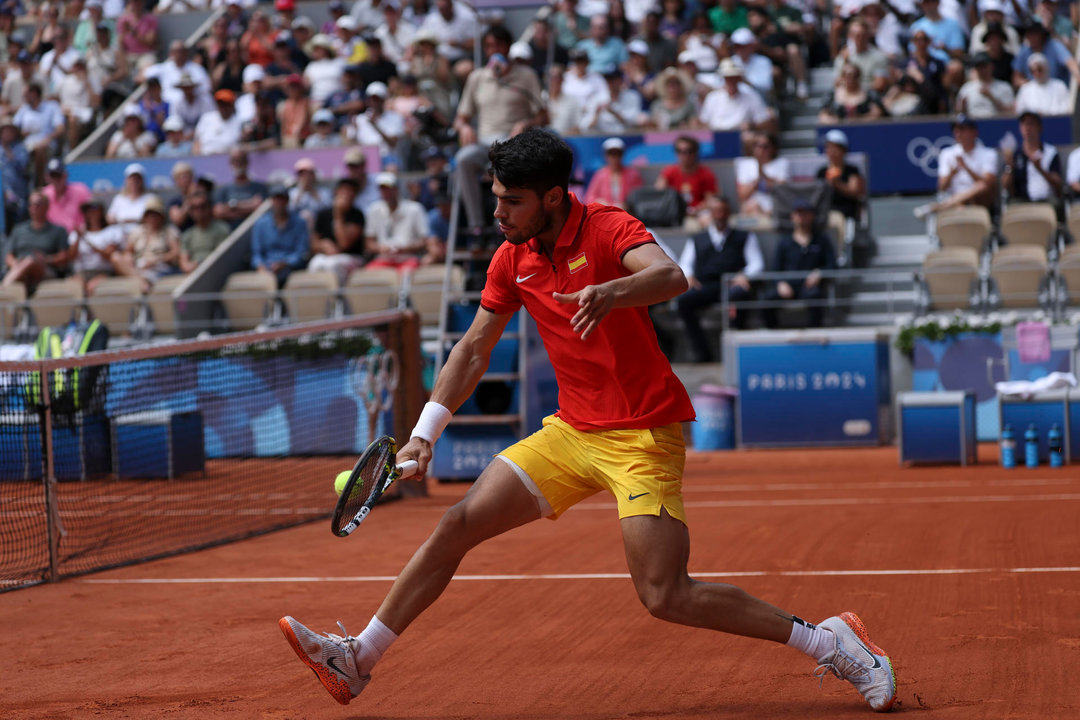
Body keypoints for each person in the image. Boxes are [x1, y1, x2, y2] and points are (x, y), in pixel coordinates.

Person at [278, 129, 898, 714]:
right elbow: (471, 350)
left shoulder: (607, 226)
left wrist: (610, 292)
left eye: (512, 202)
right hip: (572, 432)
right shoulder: (511, 256)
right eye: (495, 198)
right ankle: (359, 657)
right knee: (456, 525)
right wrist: (423, 435)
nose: (499, 214)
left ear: (553, 197)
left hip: (641, 433)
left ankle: (832, 643)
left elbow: (672, 276)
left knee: (665, 595)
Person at [452, 25, 544, 230]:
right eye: (488, 46)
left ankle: (502, 225)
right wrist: (465, 127)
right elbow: (460, 118)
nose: (493, 50)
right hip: (485, 143)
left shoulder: (526, 75)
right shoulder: (477, 77)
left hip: (514, 142)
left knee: (507, 161)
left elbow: (542, 116)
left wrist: (525, 123)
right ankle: (476, 225)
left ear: (508, 47)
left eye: (498, 45)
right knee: (463, 159)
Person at [676, 194, 763, 359]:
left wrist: (744, 275)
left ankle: (734, 350)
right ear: (711, 213)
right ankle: (702, 352)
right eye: (716, 211)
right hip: (706, 286)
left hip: (732, 285)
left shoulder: (744, 236)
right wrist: (689, 276)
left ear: (729, 213)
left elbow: (757, 264)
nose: (720, 215)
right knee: (683, 301)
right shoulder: (697, 239)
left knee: (739, 297)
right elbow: (685, 263)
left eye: (723, 211)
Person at [762, 199, 837, 329]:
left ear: (812, 215)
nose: (801, 217)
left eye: (805, 213)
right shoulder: (784, 242)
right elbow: (775, 269)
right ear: (792, 217)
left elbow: (832, 265)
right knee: (766, 300)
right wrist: (780, 284)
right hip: (788, 286)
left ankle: (814, 333)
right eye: (798, 213)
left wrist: (819, 273)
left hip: (809, 287)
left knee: (815, 297)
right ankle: (773, 334)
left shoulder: (821, 240)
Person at [914, 115, 998, 219]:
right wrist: (952, 174)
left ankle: (938, 207)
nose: (958, 133)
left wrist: (966, 168)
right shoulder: (947, 153)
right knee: (960, 206)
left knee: (982, 186)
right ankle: (955, 206)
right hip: (956, 201)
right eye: (955, 129)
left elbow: (988, 184)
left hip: (980, 200)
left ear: (974, 132)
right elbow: (942, 187)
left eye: (962, 129)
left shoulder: (989, 153)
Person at [364, 172, 437, 271]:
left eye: (389, 188)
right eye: (383, 189)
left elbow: (424, 241)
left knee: (407, 275)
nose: (386, 192)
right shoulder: (374, 210)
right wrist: (381, 248)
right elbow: (369, 242)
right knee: (368, 275)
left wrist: (404, 249)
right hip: (383, 259)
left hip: (409, 259)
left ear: (397, 189)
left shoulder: (415, 209)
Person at [2, 190, 70, 291]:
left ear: (47, 207)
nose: (33, 207)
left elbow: (64, 256)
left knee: (31, 260)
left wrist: (47, 259)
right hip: (19, 270)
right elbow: (8, 255)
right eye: (30, 204)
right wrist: (15, 264)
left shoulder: (58, 230)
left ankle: (2, 289)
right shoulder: (18, 229)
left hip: (46, 271)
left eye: (37, 204)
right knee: (27, 263)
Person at [114, 195, 180, 290]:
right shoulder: (137, 231)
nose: (152, 218)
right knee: (116, 257)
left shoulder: (169, 231)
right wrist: (128, 257)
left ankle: (142, 283)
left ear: (161, 216)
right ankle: (140, 279)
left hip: (159, 267)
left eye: (155, 215)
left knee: (146, 278)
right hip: (138, 267)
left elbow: (176, 253)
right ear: (145, 216)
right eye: (149, 214)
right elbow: (128, 251)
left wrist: (157, 260)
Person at [309, 178, 366, 284]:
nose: (347, 194)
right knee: (315, 263)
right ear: (336, 191)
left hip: (351, 257)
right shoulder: (323, 214)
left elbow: (344, 244)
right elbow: (313, 244)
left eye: (351, 191)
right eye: (344, 190)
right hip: (327, 256)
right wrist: (323, 245)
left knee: (334, 265)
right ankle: (318, 298)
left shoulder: (357, 215)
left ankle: (338, 299)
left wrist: (338, 214)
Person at [655, 135, 718, 231]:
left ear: (696, 152)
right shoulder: (668, 172)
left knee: (708, 220)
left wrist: (696, 210)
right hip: (674, 213)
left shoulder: (706, 174)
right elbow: (658, 195)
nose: (685, 155)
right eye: (680, 151)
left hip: (698, 213)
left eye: (689, 151)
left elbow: (710, 200)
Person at [251, 185, 309, 286]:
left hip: (291, 269)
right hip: (267, 267)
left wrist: (285, 263)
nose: (279, 203)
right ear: (271, 201)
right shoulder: (260, 224)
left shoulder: (300, 223)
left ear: (287, 201)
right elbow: (256, 253)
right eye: (276, 199)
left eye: (281, 199)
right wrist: (260, 266)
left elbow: (301, 252)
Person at [1002, 111, 1062, 205]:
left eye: (1031, 124)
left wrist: (1040, 168)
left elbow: (1058, 184)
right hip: (1021, 201)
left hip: (1046, 200)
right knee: (1012, 207)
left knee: (1055, 204)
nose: (1027, 128)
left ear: (1039, 127)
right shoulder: (1015, 154)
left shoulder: (1050, 152)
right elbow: (1005, 186)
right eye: (1024, 124)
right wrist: (1010, 167)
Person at [70, 198, 126, 293]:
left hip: (104, 272)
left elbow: (108, 255)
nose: (91, 213)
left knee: (92, 287)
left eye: (94, 210)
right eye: (88, 211)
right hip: (81, 273)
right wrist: (79, 239)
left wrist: (87, 241)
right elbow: (71, 256)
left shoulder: (112, 231)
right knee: (75, 288)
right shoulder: (76, 234)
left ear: (101, 212)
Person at [735, 133, 790, 221]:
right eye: (756, 145)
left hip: (773, 207)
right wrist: (757, 180)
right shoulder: (745, 164)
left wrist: (764, 175)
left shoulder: (782, 163)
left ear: (773, 148)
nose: (760, 149)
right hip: (751, 208)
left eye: (765, 146)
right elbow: (742, 195)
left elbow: (782, 191)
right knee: (752, 207)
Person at [816, 129, 866, 222]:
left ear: (843, 150)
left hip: (846, 212)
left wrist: (837, 183)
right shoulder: (821, 172)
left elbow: (855, 192)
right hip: (824, 212)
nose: (831, 151)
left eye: (834, 148)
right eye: (828, 147)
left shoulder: (852, 170)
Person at [214, 149, 269, 229]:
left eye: (241, 160)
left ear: (247, 162)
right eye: (235, 161)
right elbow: (218, 212)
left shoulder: (259, 187)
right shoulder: (224, 189)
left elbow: (259, 208)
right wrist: (249, 207)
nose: (238, 163)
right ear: (230, 163)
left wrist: (232, 207)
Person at [584, 137, 644, 209]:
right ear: (606, 156)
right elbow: (588, 198)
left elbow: (639, 198)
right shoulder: (600, 174)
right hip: (605, 215)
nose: (615, 157)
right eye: (611, 154)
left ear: (622, 155)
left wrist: (626, 205)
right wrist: (599, 202)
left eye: (618, 153)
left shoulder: (633, 174)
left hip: (626, 215)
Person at [179, 192, 230, 273]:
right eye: (194, 208)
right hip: (193, 274)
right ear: (190, 211)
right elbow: (184, 263)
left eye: (202, 206)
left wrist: (199, 264)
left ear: (210, 207)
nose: (199, 211)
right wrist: (194, 266)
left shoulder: (222, 229)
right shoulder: (187, 234)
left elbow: (221, 257)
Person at [41, 159, 93, 235]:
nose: (56, 179)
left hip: (77, 235)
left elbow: (91, 213)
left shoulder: (81, 190)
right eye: (53, 176)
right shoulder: (44, 194)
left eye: (58, 175)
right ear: (46, 177)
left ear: (65, 175)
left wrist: (85, 227)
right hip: (53, 238)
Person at [956, 52, 1015, 118]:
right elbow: (959, 114)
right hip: (973, 125)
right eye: (979, 67)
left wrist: (991, 97)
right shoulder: (967, 88)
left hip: (997, 124)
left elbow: (1011, 112)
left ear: (992, 66)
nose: (982, 70)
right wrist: (962, 108)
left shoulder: (1004, 87)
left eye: (984, 66)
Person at [192, 90, 244, 156]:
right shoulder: (206, 118)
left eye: (226, 104)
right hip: (205, 159)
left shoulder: (239, 122)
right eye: (221, 104)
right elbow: (196, 142)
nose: (223, 107)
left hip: (228, 159)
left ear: (232, 105)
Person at [107, 163, 152, 230]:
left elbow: (152, 219)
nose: (134, 181)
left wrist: (124, 220)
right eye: (131, 179)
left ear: (142, 181)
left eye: (137, 179)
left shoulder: (150, 198)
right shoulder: (119, 198)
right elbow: (110, 219)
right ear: (126, 180)